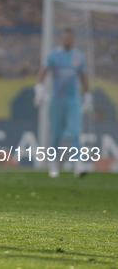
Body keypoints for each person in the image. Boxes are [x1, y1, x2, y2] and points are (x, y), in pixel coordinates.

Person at [34, 28, 92, 178]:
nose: (67, 40)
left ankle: (78, 165)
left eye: (70, 38)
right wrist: (39, 89)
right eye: (65, 37)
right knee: (56, 133)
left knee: (75, 133)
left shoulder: (79, 57)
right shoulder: (54, 55)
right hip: (57, 100)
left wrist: (87, 95)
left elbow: (83, 76)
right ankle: (53, 164)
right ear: (61, 38)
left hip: (73, 100)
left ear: (73, 39)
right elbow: (43, 72)